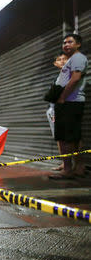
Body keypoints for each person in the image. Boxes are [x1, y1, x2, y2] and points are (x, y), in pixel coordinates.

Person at [49, 33, 88, 179]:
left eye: (70, 42)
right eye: (64, 42)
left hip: (69, 102)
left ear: (78, 44)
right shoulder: (74, 60)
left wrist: (62, 98)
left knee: (65, 137)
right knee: (72, 136)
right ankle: (78, 168)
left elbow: (75, 79)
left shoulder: (78, 58)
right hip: (70, 102)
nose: (66, 45)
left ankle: (67, 170)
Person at [46, 53, 67, 171]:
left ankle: (75, 165)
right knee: (60, 139)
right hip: (54, 110)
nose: (63, 61)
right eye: (60, 60)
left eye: (65, 59)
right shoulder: (58, 77)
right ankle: (65, 163)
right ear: (55, 63)